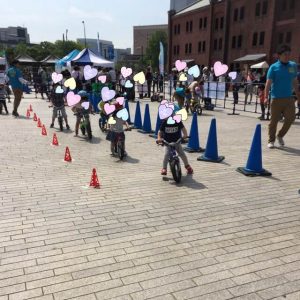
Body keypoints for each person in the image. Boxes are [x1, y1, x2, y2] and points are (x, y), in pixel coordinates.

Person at [264, 44, 300, 148]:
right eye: (285, 54)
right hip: (276, 98)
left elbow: (294, 82)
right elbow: (268, 83)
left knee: (291, 118)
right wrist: (266, 97)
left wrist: (298, 96)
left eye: (289, 54)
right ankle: (271, 140)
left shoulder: (292, 65)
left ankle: (280, 135)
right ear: (278, 55)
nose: (287, 56)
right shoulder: (273, 67)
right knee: (274, 121)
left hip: (289, 98)